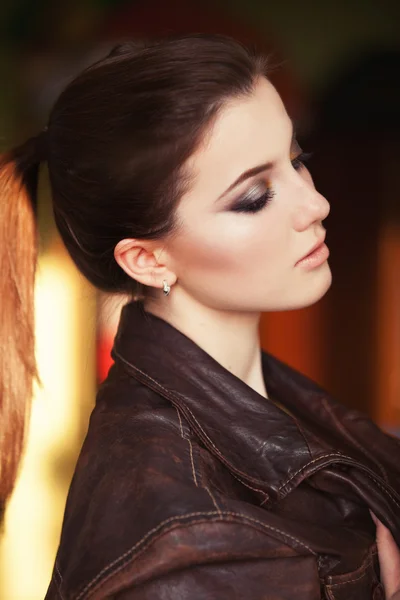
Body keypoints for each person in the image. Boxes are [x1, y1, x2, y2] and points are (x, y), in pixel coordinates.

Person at [1, 33, 399, 599]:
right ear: (147, 259)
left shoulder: (260, 400)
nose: (315, 204)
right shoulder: (184, 540)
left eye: (296, 161)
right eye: (254, 196)